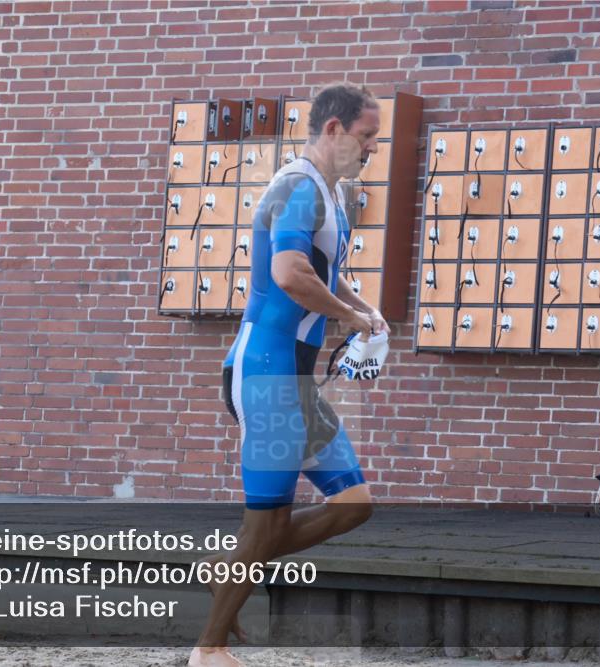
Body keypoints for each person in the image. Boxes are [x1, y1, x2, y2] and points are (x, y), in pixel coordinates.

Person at [189, 83, 390, 667]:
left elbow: (321, 271)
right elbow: (289, 273)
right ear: (334, 129)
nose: (373, 148)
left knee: (353, 503)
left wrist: (364, 308)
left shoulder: (330, 193)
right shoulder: (298, 187)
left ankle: (228, 566)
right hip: (267, 374)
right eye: (367, 136)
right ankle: (209, 649)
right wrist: (349, 315)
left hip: (294, 381)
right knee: (267, 521)